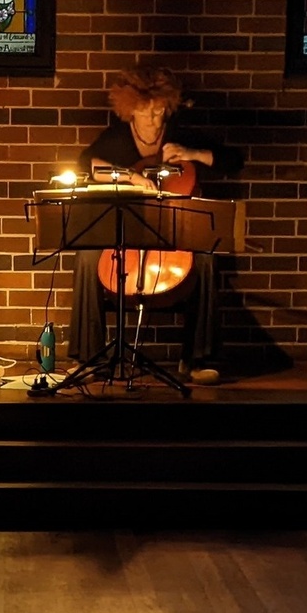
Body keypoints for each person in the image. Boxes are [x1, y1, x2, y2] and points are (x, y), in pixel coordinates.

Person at [65, 64, 244, 384]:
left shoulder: (178, 132)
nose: (153, 120)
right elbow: (85, 162)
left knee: (205, 260)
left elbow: (233, 160)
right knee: (87, 257)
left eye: (160, 112)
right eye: (145, 113)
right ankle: (90, 356)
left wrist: (193, 154)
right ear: (130, 111)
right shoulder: (119, 137)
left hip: (175, 231)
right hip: (125, 231)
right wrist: (130, 175)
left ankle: (197, 359)